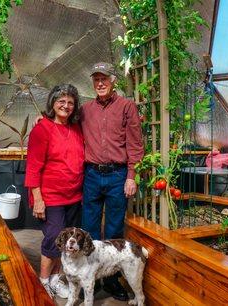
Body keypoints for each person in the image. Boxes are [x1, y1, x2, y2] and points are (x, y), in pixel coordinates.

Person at [79, 62, 143, 301]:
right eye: (96, 79)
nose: (100, 83)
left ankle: (112, 279)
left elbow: (135, 144)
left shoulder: (126, 107)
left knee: (115, 229)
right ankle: (92, 278)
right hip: (92, 175)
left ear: (113, 80)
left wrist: (131, 176)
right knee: (90, 229)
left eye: (104, 78)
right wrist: (41, 119)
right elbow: (62, 119)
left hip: (117, 175)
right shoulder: (85, 110)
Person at [24, 84, 84, 299]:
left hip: (74, 197)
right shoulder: (42, 129)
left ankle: (57, 279)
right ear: (52, 103)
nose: (66, 106)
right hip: (50, 198)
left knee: (67, 241)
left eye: (70, 102)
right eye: (61, 101)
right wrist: (37, 199)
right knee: (53, 239)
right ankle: (43, 281)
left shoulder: (76, 128)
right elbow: (33, 167)